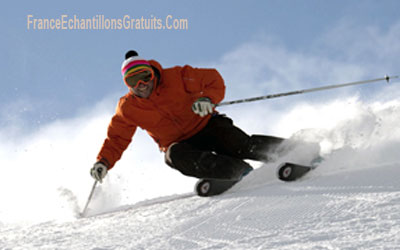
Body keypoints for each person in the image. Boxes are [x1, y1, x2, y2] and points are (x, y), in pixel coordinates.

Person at [90, 50, 285, 183]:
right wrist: (103, 162)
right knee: (173, 156)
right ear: (127, 84)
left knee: (239, 145)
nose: (142, 84)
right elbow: (117, 138)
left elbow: (213, 79)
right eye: (133, 80)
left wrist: (208, 99)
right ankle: (237, 173)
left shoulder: (177, 77)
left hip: (206, 125)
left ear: (152, 73)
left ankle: (294, 151)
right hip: (181, 145)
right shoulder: (128, 108)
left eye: (145, 76)